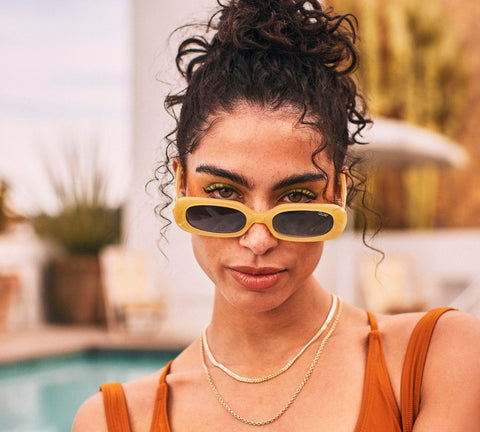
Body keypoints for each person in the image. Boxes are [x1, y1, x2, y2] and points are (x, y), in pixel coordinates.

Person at [73, 1, 480, 430]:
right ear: (181, 184)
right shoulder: (112, 420)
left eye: (298, 197)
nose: (258, 240)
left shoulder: (438, 357)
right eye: (224, 193)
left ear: (338, 194)